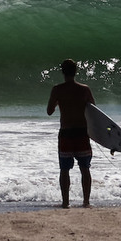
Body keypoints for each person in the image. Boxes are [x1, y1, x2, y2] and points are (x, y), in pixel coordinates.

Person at [46, 59, 95, 208]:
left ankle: (66, 203)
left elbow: (49, 111)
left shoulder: (57, 89)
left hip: (66, 133)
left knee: (64, 169)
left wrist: (59, 102)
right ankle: (86, 202)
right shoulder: (85, 89)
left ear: (62, 72)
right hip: (82, 133)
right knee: (85, 169)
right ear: (76, 72)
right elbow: (94, 110)